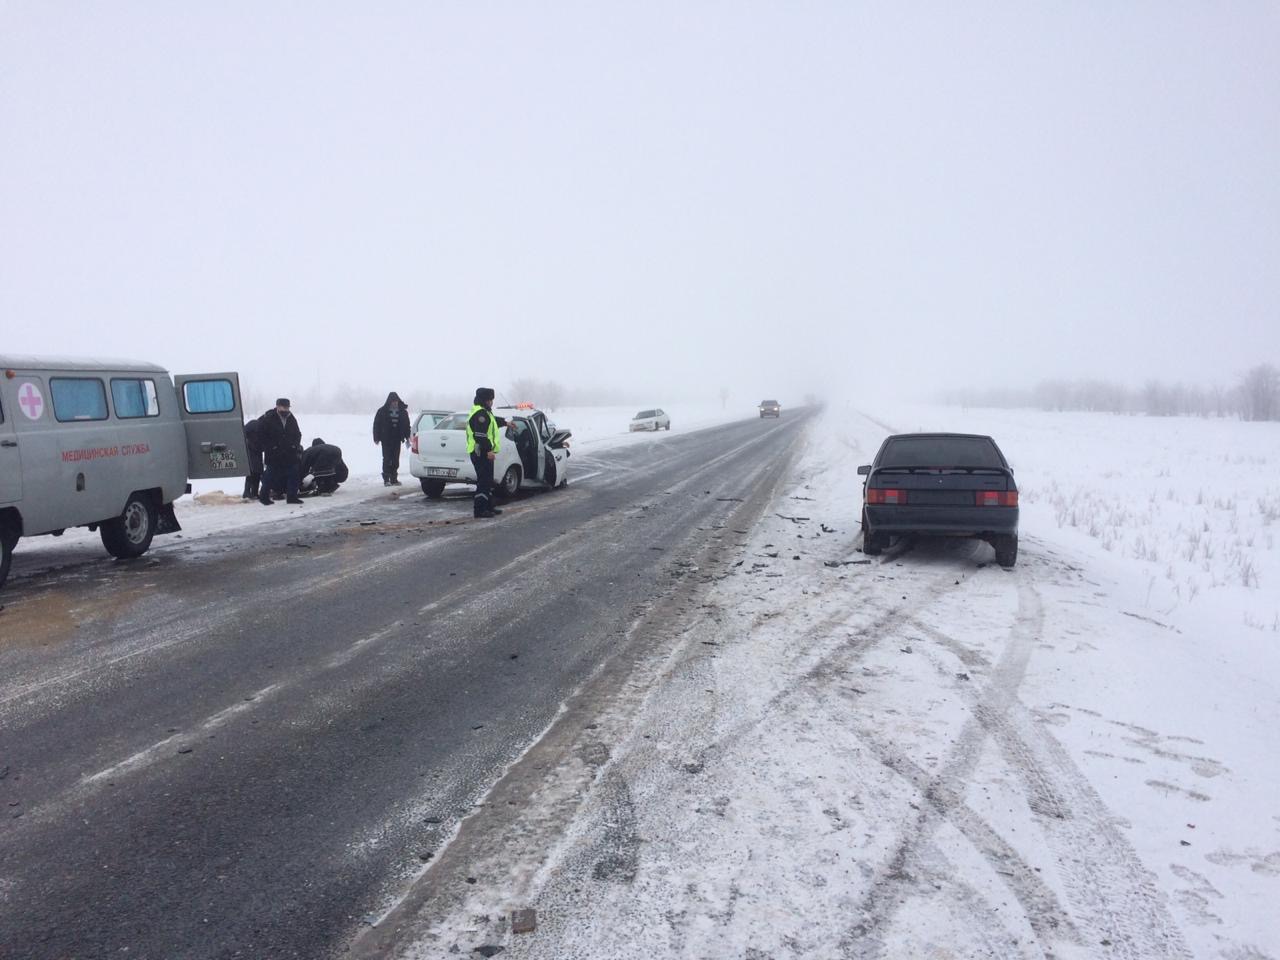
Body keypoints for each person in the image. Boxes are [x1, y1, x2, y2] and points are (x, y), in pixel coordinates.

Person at [466, 387, 513, 518]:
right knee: (483, 481)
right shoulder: (480, 414)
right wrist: (488, 451)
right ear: (485, 400)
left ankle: (488, 506)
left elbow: (492, 421)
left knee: (488, 481)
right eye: (490, 400)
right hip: (481, 452)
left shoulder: (484, 412)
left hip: (482, 452)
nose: (492, 402)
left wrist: (505, 423)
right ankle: (480, 510)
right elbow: (480, 436)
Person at [257, 398, 304, 506]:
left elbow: (297, 434)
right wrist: (271, 447)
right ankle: (264, 497)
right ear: (277, 406)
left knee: (294, 474)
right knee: (270, 475)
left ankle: (292, 497)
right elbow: (261, 435)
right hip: (274, 453)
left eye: (287, 407)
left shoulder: (291, 418)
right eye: (283, 407)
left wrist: (295, 445)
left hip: (289, 452)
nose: (286, 409)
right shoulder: (268, 418)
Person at [372, 391, 411, 486]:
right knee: (387, 458)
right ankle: (386, 479)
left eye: (396, 401)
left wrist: (407, 436)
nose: (395, 403)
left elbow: (406, 425)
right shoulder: (382, 411)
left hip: (397, 439)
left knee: (395, 459)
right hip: (386, 439)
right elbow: (376, 425)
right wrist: (376, 437)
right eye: (393, 401)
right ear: (389, 402)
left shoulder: (403, 412)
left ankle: (394, 479)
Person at [241, 418, 264, 500]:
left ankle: (251, 492)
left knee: (255, 471)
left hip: (252, 449)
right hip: (252, 450)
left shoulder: (254, 424)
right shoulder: (258, 426)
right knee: (254, 471)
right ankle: (249, 492)